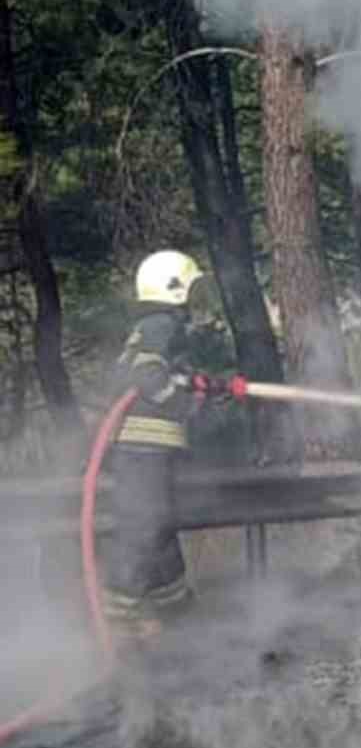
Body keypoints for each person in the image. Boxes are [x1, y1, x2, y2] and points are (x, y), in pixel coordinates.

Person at [102, 250, 213, 638]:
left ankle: (176, 610)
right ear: (175, 290)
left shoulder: (152, 327)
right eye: (192, 288)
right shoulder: (162, 324)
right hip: (142, 451)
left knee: (160, 524)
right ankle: (120, 618)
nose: (197, 298)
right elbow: (147, 373)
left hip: (149, 452)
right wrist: (184, 403)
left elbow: (164, 374)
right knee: (144, 527)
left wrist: (201, 387)